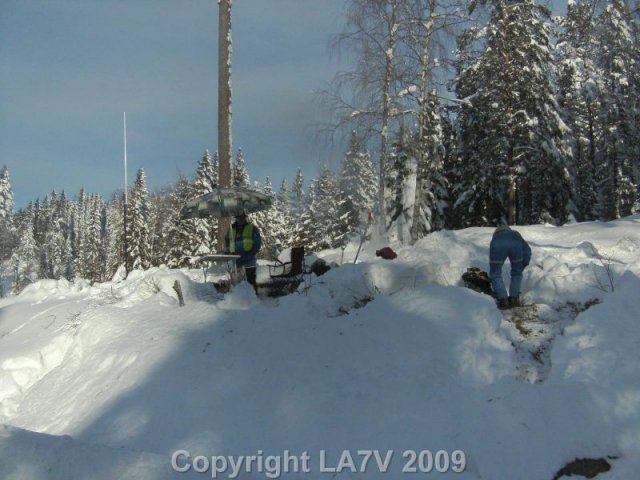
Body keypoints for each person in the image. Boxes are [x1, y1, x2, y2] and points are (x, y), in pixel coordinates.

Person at [489, 225, 531, 309]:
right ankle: (514, 299)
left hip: (497, 245)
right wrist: (523, 265)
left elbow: (493, 267)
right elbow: (527, 251)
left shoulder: (495, 238)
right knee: (516, 273)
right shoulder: (515, 234)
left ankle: (503, 300)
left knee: (495, 274)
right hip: (515, 243)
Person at [224, 211, 262, 290]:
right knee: (236, 283)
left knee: (251, 282)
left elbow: (257, 243)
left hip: (249, 261)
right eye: (239, 217)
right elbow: (227, 244)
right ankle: (237, 299)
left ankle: (255, 298)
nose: (240, 219)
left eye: (242, 217)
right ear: (236, 218)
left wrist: (251, 254)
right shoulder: (231, 230)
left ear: (245, 218)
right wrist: (228, 253)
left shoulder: (252, 228)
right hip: (236, 262)